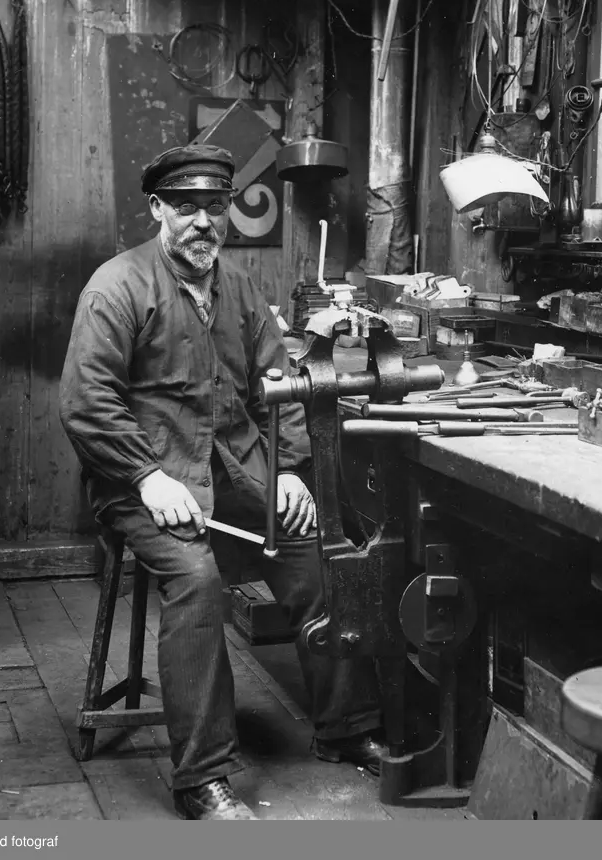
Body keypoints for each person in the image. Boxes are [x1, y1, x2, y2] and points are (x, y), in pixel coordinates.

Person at [59, 143, 384, 821]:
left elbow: (278, 385)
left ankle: (345, 725)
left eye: (215, 206)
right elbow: (87, 403)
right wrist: (147, 476)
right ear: (157, 209)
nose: (203, 222)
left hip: (237, 471)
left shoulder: (239, 289)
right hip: (143, 481)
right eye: (186, 207)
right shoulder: (115, 287)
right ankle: (201, 777)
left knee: (321, 554)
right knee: (198, 581)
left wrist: (288, 471)